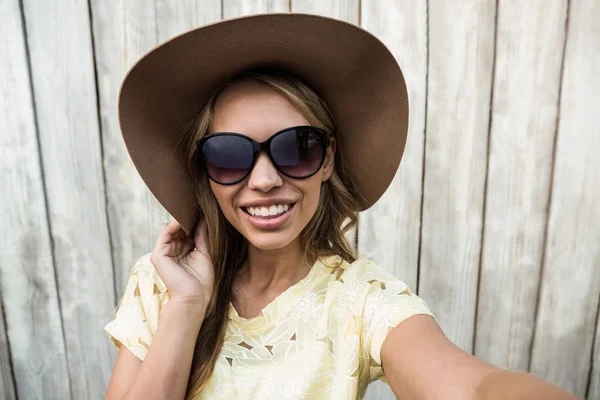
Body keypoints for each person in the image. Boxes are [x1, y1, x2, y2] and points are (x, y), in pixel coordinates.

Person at [103, 13, 578, 400]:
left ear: (327, 158)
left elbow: (469, 385)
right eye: (230, 155)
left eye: (297, 148)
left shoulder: (361, 301)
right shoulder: (162, 284)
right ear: (206, 169)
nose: (265, 180)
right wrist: (187, 305)